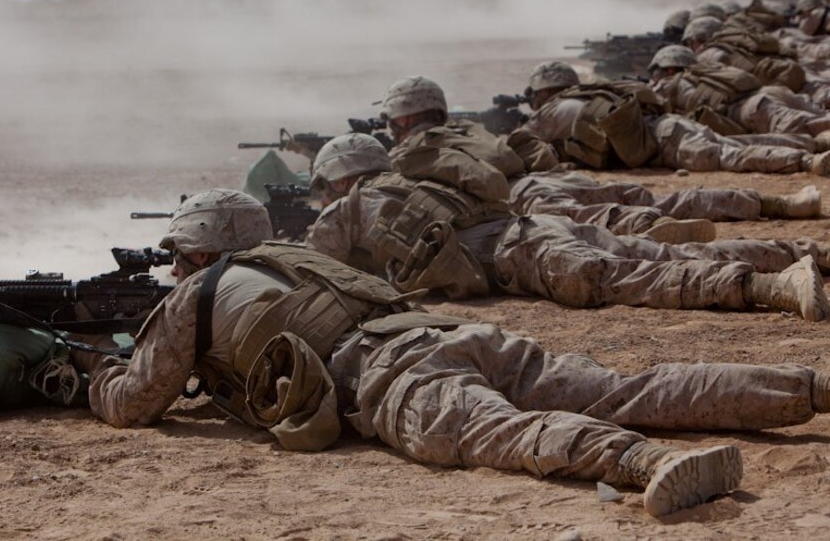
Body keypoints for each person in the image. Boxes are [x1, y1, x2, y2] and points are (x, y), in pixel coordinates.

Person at [82, 189, 830, 519]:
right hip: (447, 335)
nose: (175, 268)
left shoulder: (196, 294)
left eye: (180, 256)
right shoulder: (298, 258)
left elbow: (135, 402)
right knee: (628, 385)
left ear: (201, 250)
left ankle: (644, 465)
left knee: (502, 435)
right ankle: (811, 387)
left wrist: (91, 373)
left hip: (387, 375)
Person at [305, 79, 830, 319]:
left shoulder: (350, 206)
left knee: (627, 277)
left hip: (516, 251)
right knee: (663, 253)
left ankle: (774, 286)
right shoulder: (413, 175)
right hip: (531, 226)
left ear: (339, 180)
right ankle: (808, 250)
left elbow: (310, 270)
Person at [521, 61, 830, 175]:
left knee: (732, 155)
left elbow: (517, 145)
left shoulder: (551, 111)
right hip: (669, 126)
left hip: (667, 140)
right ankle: (813, 144)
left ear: (544, 92)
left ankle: (805, 161)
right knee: (739, 143)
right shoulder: (594, 92)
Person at [647, 45, 830, 138]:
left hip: (751, 107)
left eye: (655, 72)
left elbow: (647, 101)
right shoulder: (707, 71)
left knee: (806, 127)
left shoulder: (668, 84)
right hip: (772, 92)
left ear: (669, 69)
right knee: (821, 118)